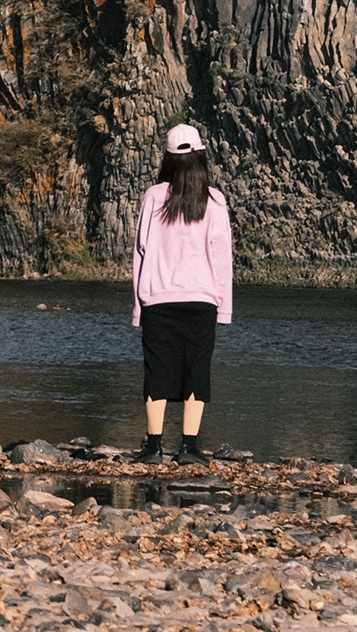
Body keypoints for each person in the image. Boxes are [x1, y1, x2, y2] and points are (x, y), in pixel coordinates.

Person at [131, 122, 233, 464]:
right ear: (202, 157)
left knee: (157, 370)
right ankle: (189, 447)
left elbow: (141, 253)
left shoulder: (153, 196)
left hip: (158, 298)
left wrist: (137, 308)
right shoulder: (215, 200)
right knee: (196, 370)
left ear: (168, 160)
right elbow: (222, 259)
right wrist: (224, 310)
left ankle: (153, 447)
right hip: (202, 299)